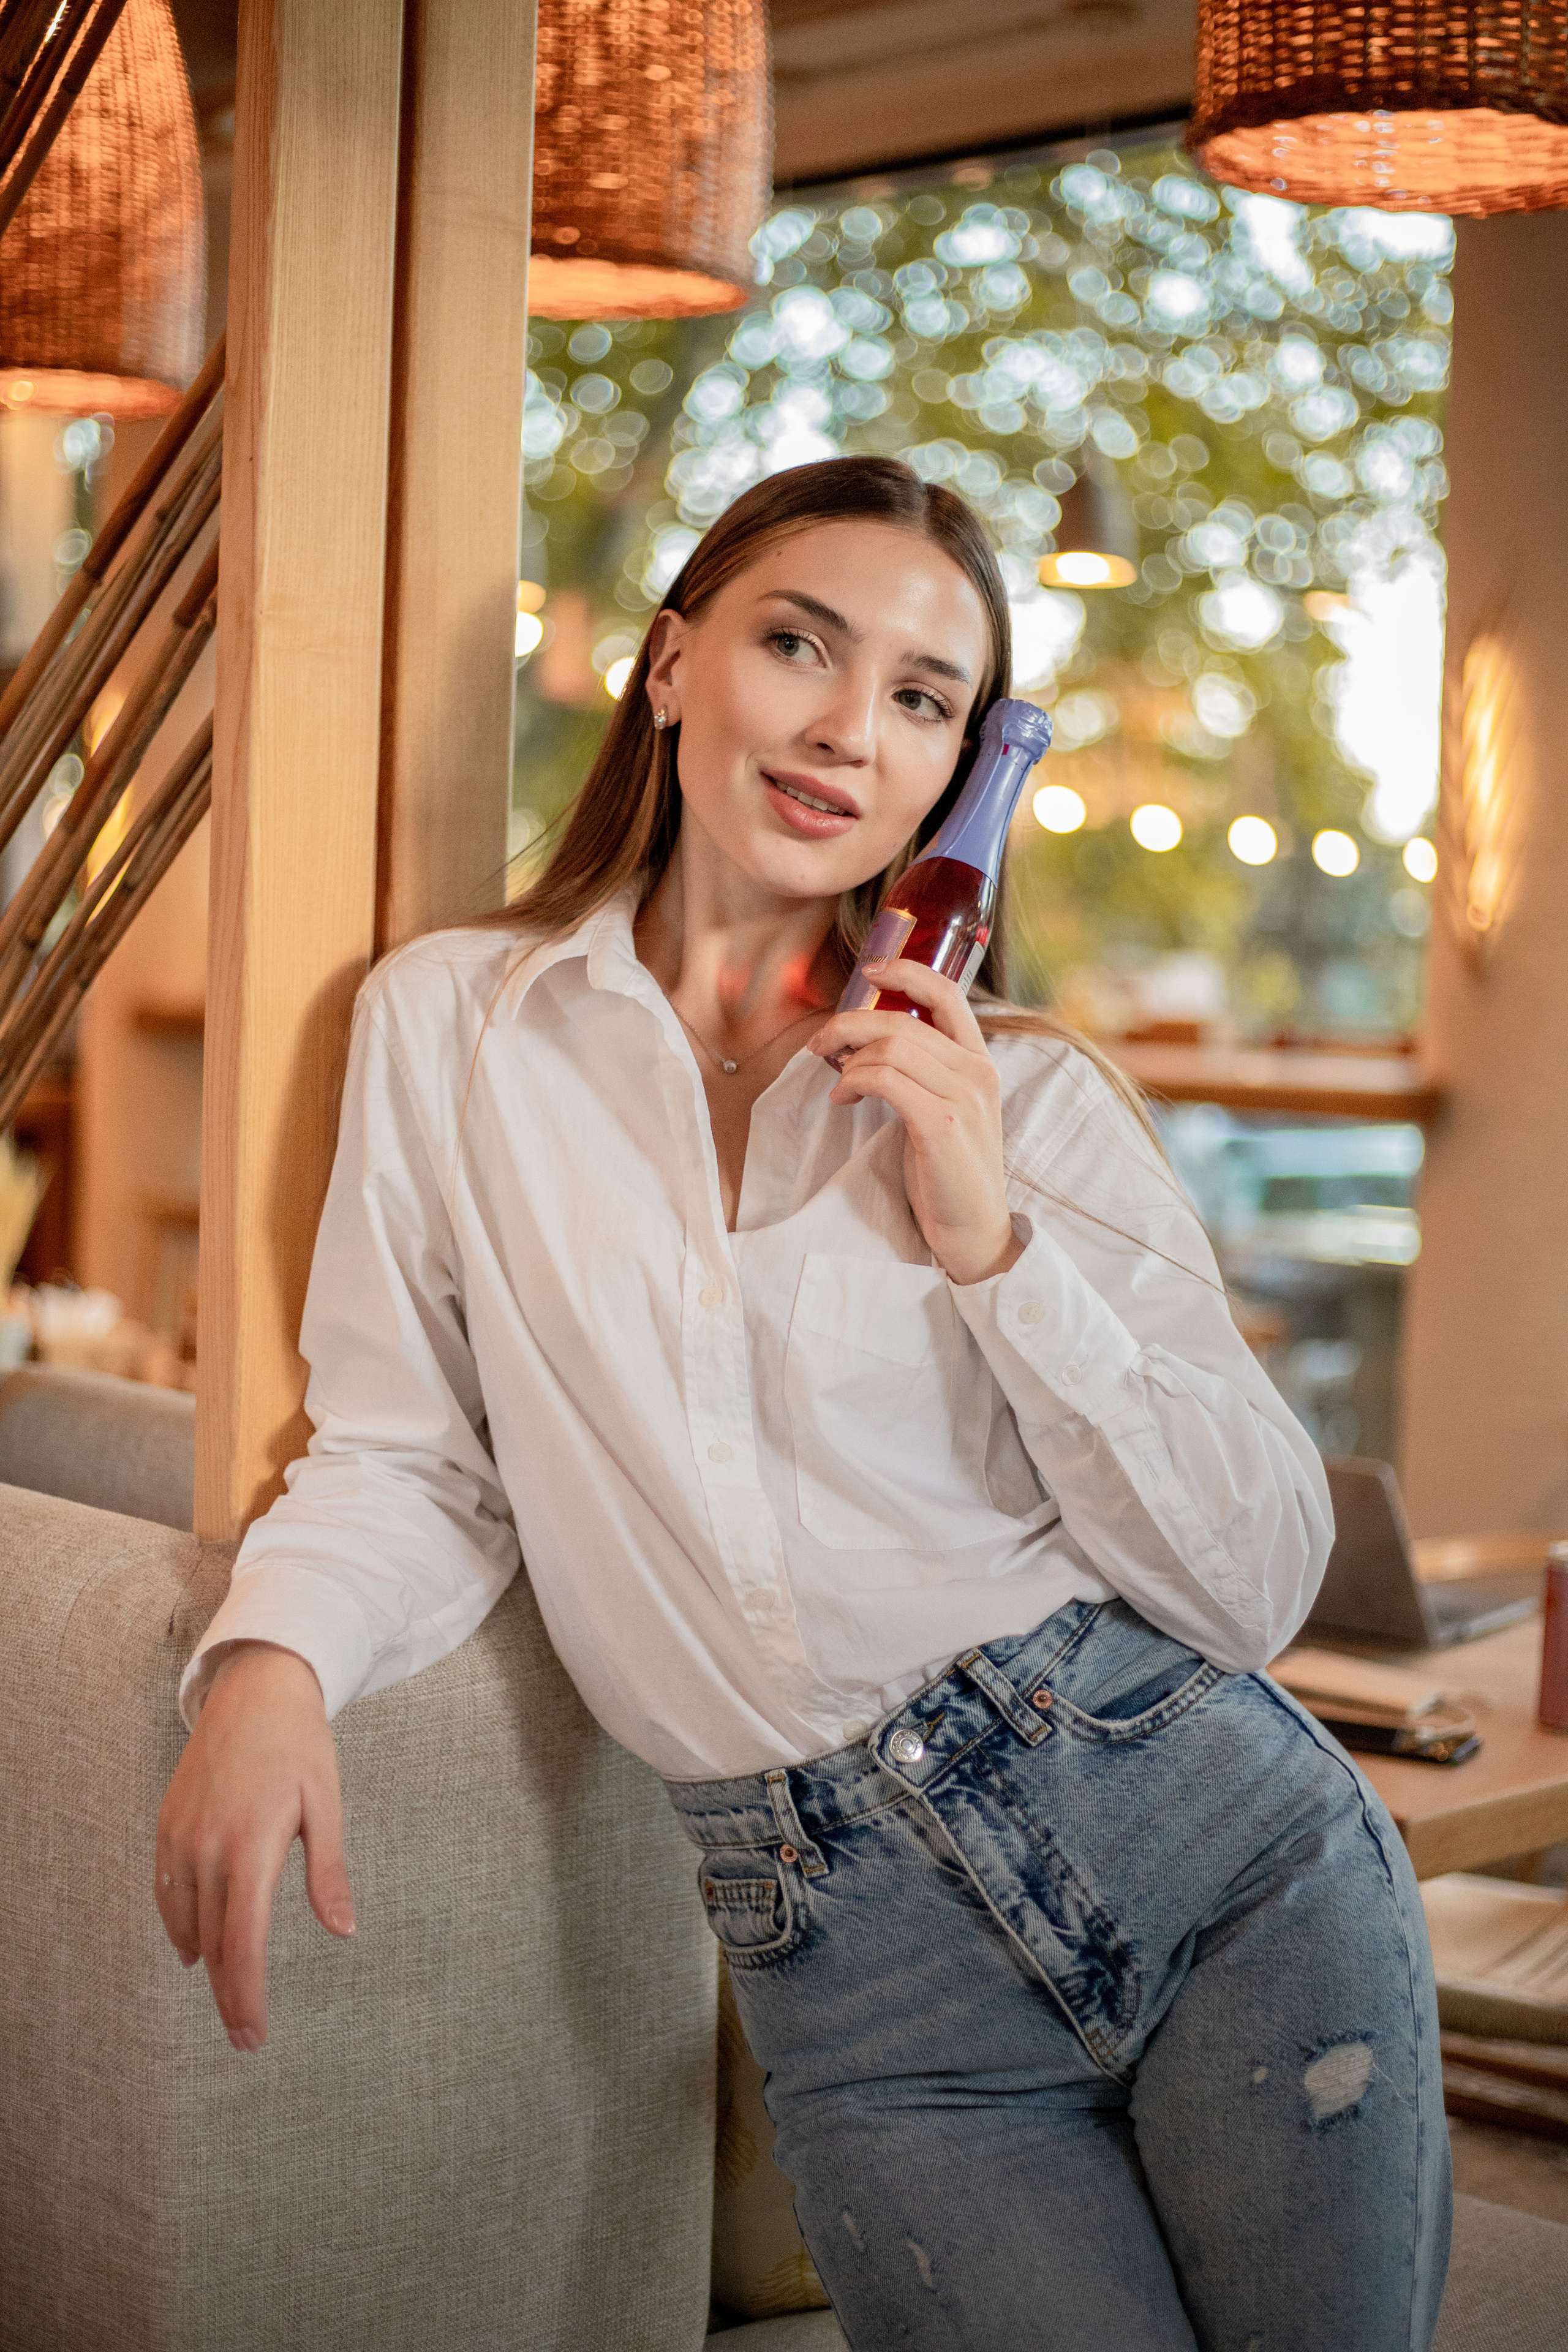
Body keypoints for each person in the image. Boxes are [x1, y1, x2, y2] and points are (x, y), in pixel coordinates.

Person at [157, 456, 1450, 2350]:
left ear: (958, 771)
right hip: (855, 1976)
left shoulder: (1033, 1104)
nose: (853, 730)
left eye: (924, 699)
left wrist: (996, 1246)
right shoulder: (451, 1030)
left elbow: (1256, 1582)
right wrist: (267, 1662)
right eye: (799, 646)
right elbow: (413, 1458)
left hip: (1219, 1857)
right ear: (674, 666)